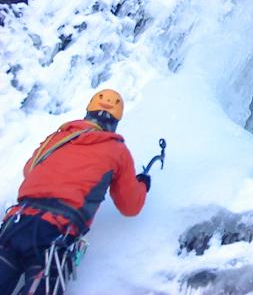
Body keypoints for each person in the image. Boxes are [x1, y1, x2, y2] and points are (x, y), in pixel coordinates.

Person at [0, 89, 150, 294]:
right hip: (55, 235)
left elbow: (30, 170)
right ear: (115, 121)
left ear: (88, 112)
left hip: (16, 224)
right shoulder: (116, 151)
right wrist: (142, 185)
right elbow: (130, 206)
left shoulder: (57, 138)